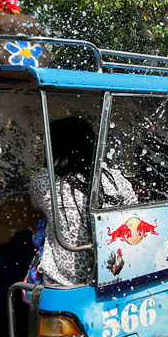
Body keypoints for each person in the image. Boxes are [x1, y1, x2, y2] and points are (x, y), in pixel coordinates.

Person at [30, 117, 137, 287]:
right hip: (115, 272)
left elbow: (36, 206)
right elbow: (134, 210)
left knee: (21, 241)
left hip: (66, 280)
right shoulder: (115, 178)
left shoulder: (46, 182)